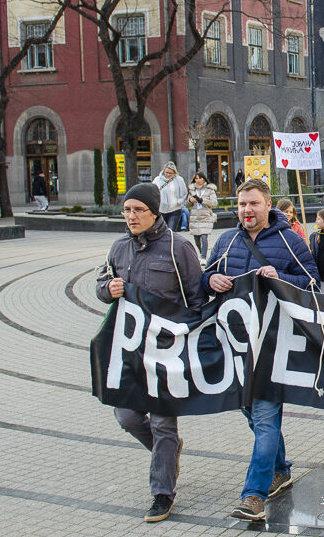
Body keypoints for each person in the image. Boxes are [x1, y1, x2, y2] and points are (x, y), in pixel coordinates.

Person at [202, 178, 320, 522]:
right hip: (236, 345)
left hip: (275, 345)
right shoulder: (225, 241)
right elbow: (202, 278)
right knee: (252, 413)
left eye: (253, 204)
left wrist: (280, 276)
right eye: (241, 205)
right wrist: (210, 281)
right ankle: (281, 469)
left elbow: (314, 282)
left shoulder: (290, 240)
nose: (247, 211)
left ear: (268, 205)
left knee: (266, 418)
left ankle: (254, 495)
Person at [95, 182, 205, 522]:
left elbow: (197, 299)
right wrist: (106, 289)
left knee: (162, 424)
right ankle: (167, 454)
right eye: (126, 210)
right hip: (128, 351)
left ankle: (162, 493)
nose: (130, 216)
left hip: (165, 352)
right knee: (126, 417)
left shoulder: (178, 248)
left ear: (154, 212)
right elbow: (101, 284)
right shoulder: (118, 248)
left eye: (137, 210)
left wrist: (188, 339)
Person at [186, 172, 218, 263]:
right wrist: (190, 200)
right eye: (196, 178)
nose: (198, 180)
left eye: (200, 178)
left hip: (205, 216)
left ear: (204, 179)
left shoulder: (209, 189)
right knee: (196, 239)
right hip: (195, 217)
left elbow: (214, 203)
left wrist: (203, 200)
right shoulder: (192, 190)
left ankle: (203, 257)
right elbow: (186, 204)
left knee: (204, 237)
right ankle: (201, 253)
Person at [155, 162, 188, 231]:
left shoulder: (179, 180)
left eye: (170, 173)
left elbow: (184, 192)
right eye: (166, 172)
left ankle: (171, 241)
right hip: (161, 209)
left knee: (171, 230)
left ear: (174, 173)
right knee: (162, 230)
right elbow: (153, 192)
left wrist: (179, 201)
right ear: (163, 171)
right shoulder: (157, 180)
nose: (168, 175)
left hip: (175, 208)